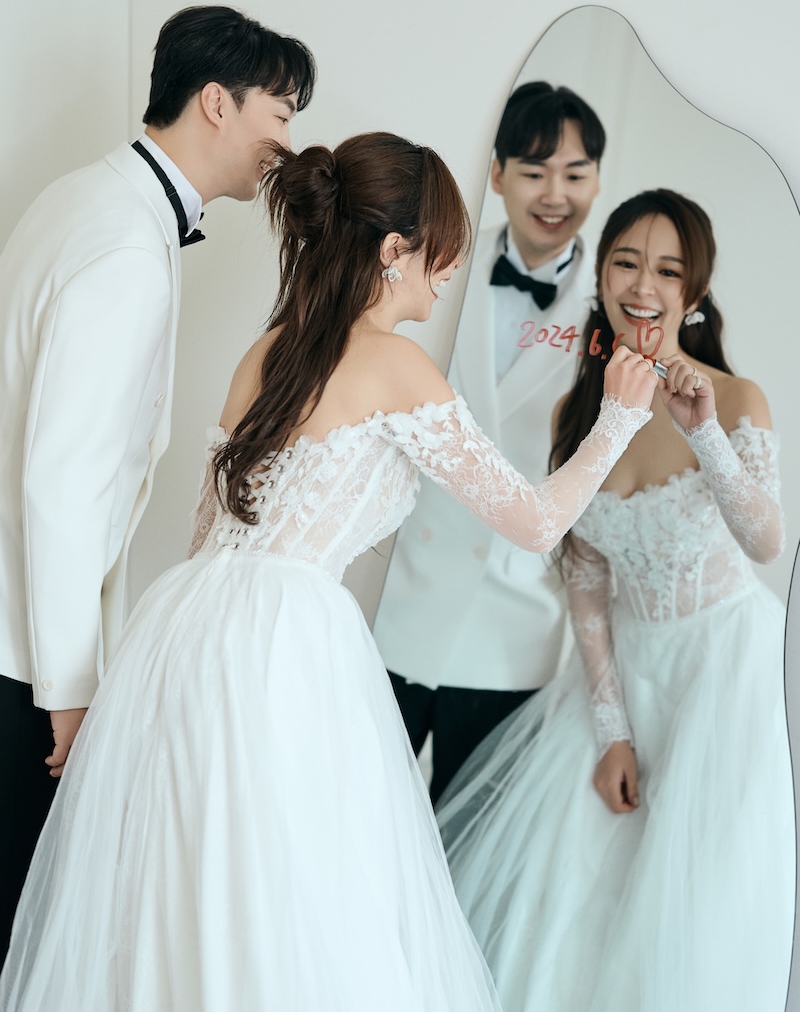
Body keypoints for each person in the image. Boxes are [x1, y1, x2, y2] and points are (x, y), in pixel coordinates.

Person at [0, 134, 656, 1011]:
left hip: (185, 627)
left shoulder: (269, 350)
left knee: (186, 876)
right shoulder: (396, 365)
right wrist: (618, 420)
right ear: (395, 250)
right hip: (285, 643)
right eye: (442, 247)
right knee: (293, 888)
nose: (449, 269)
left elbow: (210, 528)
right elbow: (535, 524)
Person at [0, 4, 316, 959]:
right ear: (217, 102)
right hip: (22, 655)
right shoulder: (128, 247)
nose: (285, 141)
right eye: (280, 112)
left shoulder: (79, 196)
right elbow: (63, 482)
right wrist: (69, 687)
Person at [437, 189, 795, 1012]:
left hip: (726, 679)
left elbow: (766, 543)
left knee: (697, 909)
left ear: (694, 293)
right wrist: (611, 733)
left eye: (668, 270)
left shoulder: (737, 399)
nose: (644, 285)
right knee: (574, 907)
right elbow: (587, 585)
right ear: (601, 278)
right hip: (621, 678)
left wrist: (704, 431)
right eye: (627, 262)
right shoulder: (580, 410)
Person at [374, 81, 606, 801]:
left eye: (575, 174)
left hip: (514, 625)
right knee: (362, 816)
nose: (555, 194)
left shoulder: (612, 307)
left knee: (469, 840)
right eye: (535, 171)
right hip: (401, 603)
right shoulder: (435, 274)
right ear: (499, 174)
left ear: (598, 181)